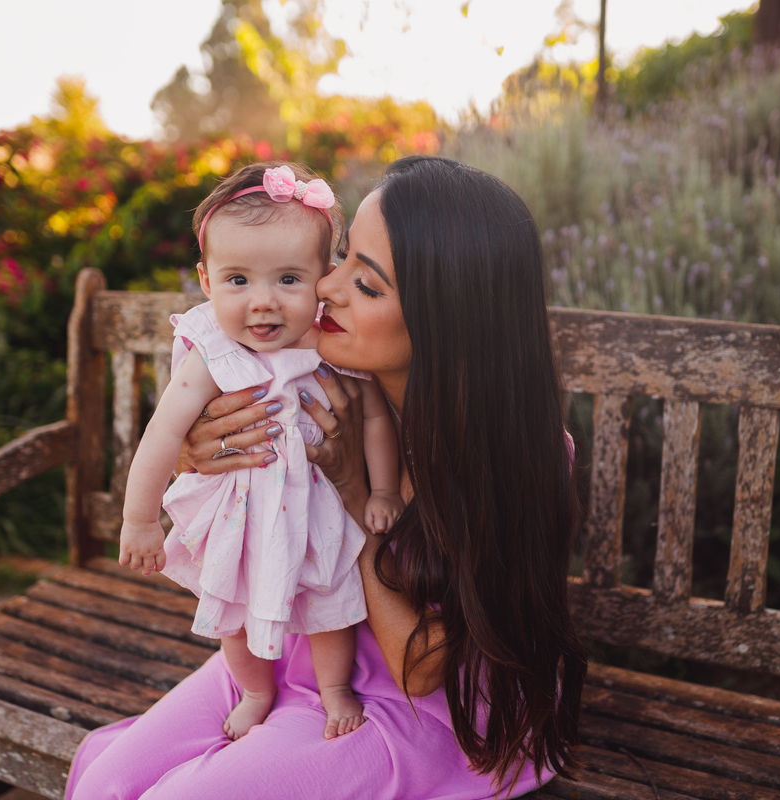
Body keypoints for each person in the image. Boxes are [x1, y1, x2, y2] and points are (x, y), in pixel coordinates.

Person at [67, 156, 587, 800]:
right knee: (109, 784)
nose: (327, 288)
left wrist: (354, 495)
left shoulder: (513, 457)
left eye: (366, 286)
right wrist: (198, 451)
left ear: (444, 320)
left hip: (421, 705)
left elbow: (420, 667)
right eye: (340, 258)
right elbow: (211, 412)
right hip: (300, 643)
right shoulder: (321, 382)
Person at [117, 162, 405, 742]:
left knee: (331, 599)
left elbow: (374, 415)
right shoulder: (212, 356)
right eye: (239, 281)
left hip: (315, 505)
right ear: (206, 281)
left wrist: (379, 489)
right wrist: (139, 518)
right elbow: (163, 434)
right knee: (233, 606)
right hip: (243, 513)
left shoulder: (330, 343)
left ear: (322, 277)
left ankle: (334, 689)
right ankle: (255, 688)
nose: (264, 304)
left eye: (289, 280)